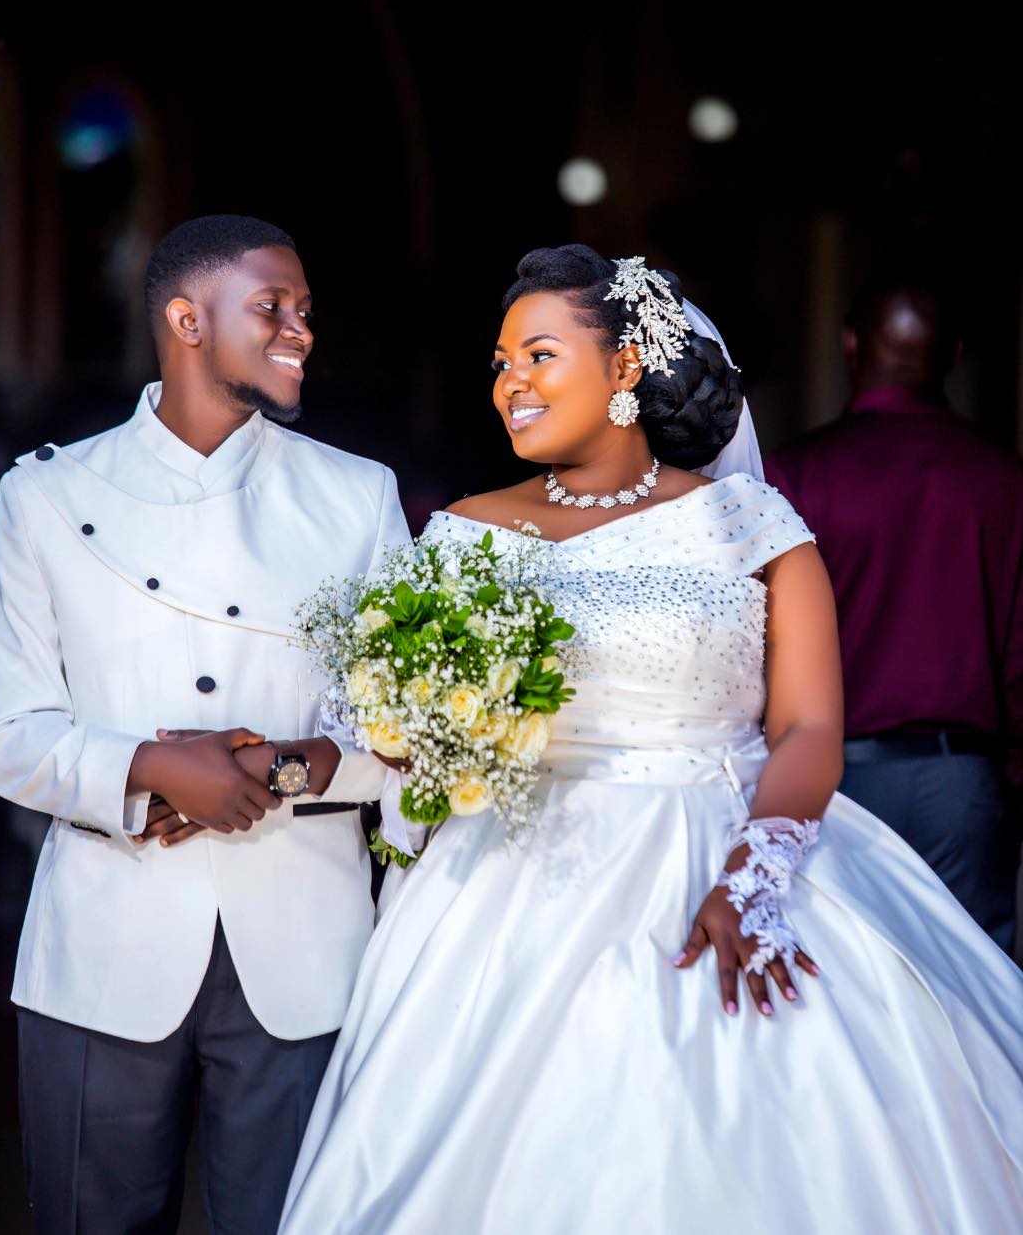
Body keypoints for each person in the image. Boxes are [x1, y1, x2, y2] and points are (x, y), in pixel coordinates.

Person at [278, 246, 1022, 1235]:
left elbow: (807, 728)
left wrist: (754, 874)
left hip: (726, 836)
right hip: (505, 888)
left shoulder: (750, 525)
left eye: (540, 354)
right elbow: (407, 728)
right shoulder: (464, 532)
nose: (512, 385)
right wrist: (386, 731)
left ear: (626, 369)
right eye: (501, 363)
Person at [0, 215, 410, 1234]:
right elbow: (9, 736)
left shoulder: (357, 497)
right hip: (102, 948)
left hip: (309, 951)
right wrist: (149, 769)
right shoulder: (45, 495)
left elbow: (401, 742)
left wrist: (270, 773)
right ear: (186, 317)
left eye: (306, 311)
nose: (301, 330)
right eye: (273, 308)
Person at [765, 277, 1022, 952]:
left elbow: (753, 643)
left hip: (827, 784)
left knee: (850, 1002)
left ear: (850, 347)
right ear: (956, 354)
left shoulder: (797, 473)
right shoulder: (1005, 480)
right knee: (980, 997)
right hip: (963, 786)